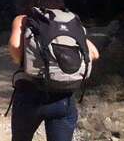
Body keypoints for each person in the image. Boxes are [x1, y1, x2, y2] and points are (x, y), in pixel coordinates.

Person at [8, 8, 100, 141]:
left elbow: (15, 49)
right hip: (63, 98)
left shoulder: (23, 19)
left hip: (29, 96)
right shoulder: (69, 21)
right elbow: (95, 54)